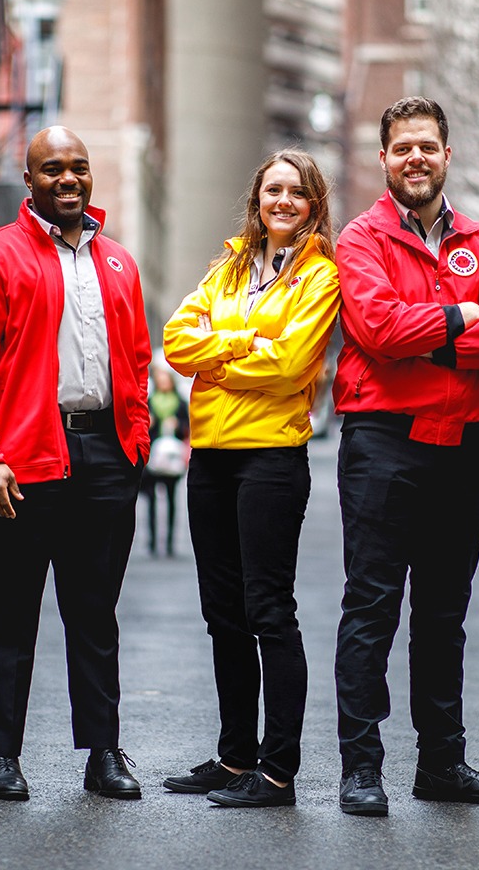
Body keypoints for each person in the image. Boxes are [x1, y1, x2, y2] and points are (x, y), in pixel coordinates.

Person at [331, 97, 479, 817]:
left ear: (448, 156)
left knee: (445, 613)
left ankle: (442, 762)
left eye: (428, 147)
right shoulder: (361, 239)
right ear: (384, 159)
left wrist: (430, 336)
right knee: (372, 605)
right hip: (382, 442)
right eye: (403, 147)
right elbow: (376, 328)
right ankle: (361, 767)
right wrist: (462, 318)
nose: (416, 158)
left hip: (460, 452)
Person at [0, 126, 150, 802]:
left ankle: (103, 753)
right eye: (52, 169)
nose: (68, 179)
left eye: (79, 168)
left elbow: (138, 360)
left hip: (104, 455)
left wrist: (138, 439)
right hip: (25, 455)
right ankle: (0, 757)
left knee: (95, 614)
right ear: (29, 179)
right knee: (9, 614)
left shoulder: (118, 262)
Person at [160, 149, 341, 809]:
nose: (284, 201)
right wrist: (246, 344)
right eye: (273, 190)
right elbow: (179, 342)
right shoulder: (230, 264)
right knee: (223, 614)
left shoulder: (321, 276)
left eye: (297, 192)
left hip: (270, 457)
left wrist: (221, 348)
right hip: (210, 455)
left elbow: (292, 364)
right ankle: (235, 757)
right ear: (257, 199)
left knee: (269, 611)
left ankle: (276, 773)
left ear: (313, 203)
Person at [140, 367, 190, 557]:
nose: (163, 382)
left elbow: (187, 427)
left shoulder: (180, 403)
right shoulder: (150, 402)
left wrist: (178, 424)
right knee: (151, 499)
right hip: (153, 455)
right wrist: (149, 423)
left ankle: (169, 542)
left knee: (171, 499)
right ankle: (152, 541)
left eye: (165, 379)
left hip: (172, 456)